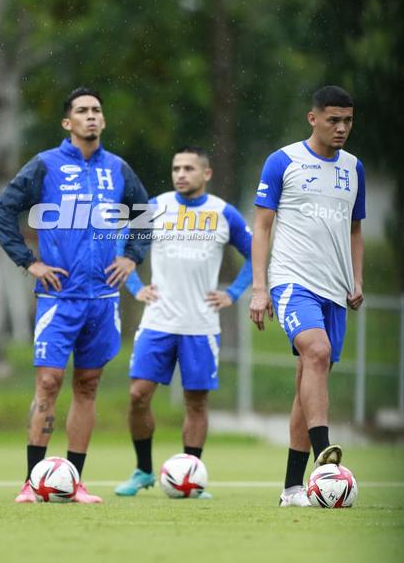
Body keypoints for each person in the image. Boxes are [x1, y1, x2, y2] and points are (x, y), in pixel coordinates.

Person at [0, 87, 150, 503]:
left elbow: (145, 213)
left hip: (102, 300)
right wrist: (30, 262)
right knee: (48, 381)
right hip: (57, 297)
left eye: (97, 110)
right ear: (68, 123)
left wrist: (131, 256)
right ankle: (31, 481)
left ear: (103, 120)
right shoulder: (45, 165)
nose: (91, 116)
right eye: (82, 111)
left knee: (88, 385)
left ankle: (73, 482)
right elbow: (1, 210)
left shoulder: (117, 168)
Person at [248, 86, 365, 507]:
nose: (342, 128)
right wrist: (260, 288)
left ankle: (293, 488)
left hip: (336, 288)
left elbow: (354, 229)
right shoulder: (283, 161)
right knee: (316, 351)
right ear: (312, 118)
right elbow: (261, 227)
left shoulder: (354, 168)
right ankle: (325, 457)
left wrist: (357, 279)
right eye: (334, 119)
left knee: (308, 380)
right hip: (292, 281)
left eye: (348, 120)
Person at [113, 146, 253, 499]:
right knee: (137, 395)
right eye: (176, 168)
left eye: (189, 168)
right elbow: (121, 246)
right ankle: (143, 470)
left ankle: (190, 476)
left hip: (200, 326)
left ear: (206, 174)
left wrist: (234, 293)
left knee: (196, 402)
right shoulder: (156, 207)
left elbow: (257, 252)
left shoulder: (224, 213)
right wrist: (135, 287)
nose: (180, 174)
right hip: (158, 321)